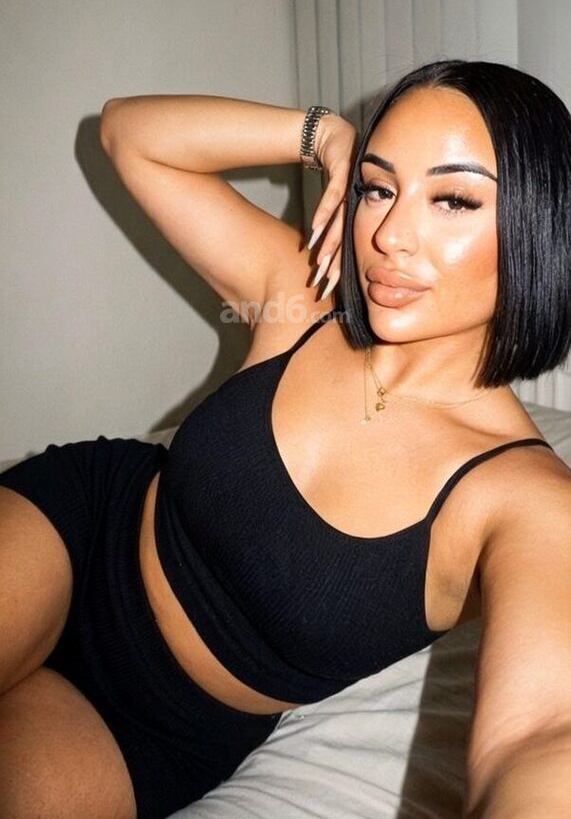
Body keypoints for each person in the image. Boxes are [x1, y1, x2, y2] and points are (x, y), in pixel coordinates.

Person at [0, 59, 569, 819]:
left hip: (158, 727)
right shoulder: (302, 296)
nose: (389, 235)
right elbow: (128, 133)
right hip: (81, 533)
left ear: (538, 224)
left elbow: (539, 735)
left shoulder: (523, 499)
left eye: (453, 200)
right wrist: (323, 136)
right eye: (378, 187)